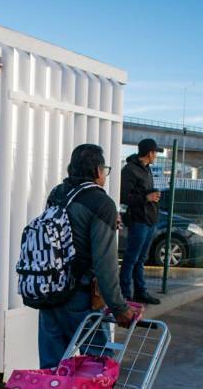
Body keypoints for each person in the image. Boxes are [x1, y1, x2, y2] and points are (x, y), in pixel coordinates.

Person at [37, 144, 136, 369]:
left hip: (49, 289)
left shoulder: (59, 193)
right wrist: (119, 307)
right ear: (97, 171)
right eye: (105, 169)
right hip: (79, 296)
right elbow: (105, 264)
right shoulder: (101, 203)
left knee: (53, 365)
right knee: (98, 365)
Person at [119, 138, 164, 305]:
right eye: (155, 153)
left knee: (140, 259)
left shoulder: (146, 169)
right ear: (149, 153)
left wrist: (151, 196)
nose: (156, 156)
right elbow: (123, 196)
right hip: (138, 221)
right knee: (131, 258)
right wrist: (146, 197)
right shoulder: (130, 170)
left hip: (149, 220)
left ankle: (140, 292)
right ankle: (124, 294)